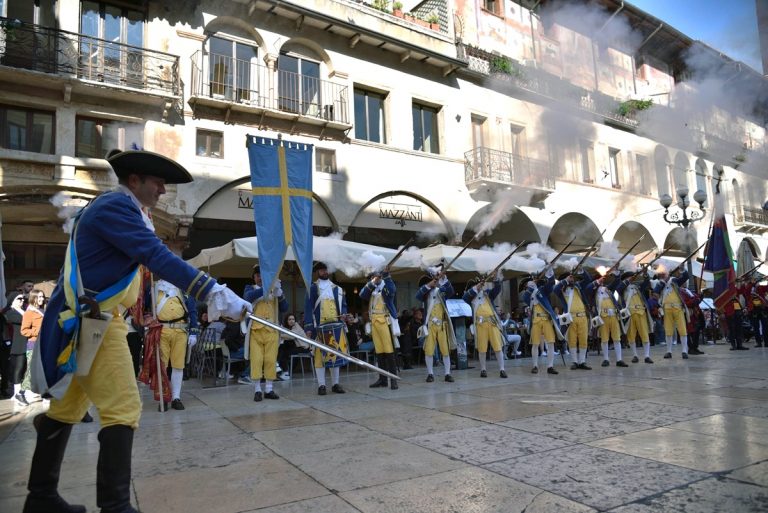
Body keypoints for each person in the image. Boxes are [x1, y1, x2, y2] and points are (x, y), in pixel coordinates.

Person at [24, 149, 251, 513]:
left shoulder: (127, 210)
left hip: (96, 320)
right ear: (135, 181)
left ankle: (40, 498)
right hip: (94, 322)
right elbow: (156, 256)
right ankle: (114, 507)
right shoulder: (116, 207)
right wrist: (211, 290)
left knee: (66, 409)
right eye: (157, 182)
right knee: (124, 407)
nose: (163, 189)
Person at [244, 265, 288, 401]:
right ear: (254, 277)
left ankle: (269, 389)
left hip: (272, 330)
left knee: (270, 360)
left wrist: (279, 294)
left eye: (262, 276)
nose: (260, 278)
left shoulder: (274, 290)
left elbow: (285, 308)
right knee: (256, 360)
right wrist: (267, 288)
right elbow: (248, 297)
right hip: (255, 330)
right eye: (257, 275)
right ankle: (257, 389)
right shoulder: (250, 288)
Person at [304, 261, 349, 395]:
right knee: (319, 357)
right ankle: (322, 385)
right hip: (320, 327)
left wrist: (344, 315)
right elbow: (308, 308)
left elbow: (343, 305)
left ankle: (335, 384)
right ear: (317, 272)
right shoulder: (312, 288)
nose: (325, 272)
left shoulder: (337, 289)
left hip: (335, 325)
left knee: (336, 355)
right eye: (322, 270)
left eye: (326, 270)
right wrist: (309, 327)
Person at [154, 279, 198, 410]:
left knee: (178, 366)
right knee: (162, 366)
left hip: (180, 330)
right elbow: (146, 308)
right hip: (161, 331)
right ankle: (163, 397)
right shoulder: (155, 288)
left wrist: (194, 332)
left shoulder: (184, 288)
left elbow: (192, 310)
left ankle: (176, 397)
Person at [416, 264, 457, 383]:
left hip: (442, 324)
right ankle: (430, 373)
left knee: (445, 350)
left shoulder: (442, 289)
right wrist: (430, 285)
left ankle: (447, 373)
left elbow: (451, 292)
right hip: (429, 324)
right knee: (429, 350)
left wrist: (444, 279)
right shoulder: (426, 289)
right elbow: (418, 295)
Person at [360, 267, 399, 389]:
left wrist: (386, 275)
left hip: (385, 322)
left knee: (389, 352)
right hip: (374, 323)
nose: (373, 278)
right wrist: (373, 282)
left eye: (375, 276)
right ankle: (382, 379)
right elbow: (362, 295)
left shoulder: (386, 286)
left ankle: (393, 379)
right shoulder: (371, 288)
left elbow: (392, 290)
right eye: (372, 277)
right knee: (379, 352)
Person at [463, 274, 507, 378]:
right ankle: (483, 369)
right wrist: (476, 287)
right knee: (482, 349)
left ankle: (502, 369)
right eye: (477, 285)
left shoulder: (487, 294)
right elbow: (465, 297)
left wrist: (496, 278)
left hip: (492, 323)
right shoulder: (470, 297)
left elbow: (497, 289)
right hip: (480, 324)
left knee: (498, 347)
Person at [520, 268, 562, 375]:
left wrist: (549, 271)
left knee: (551, 342)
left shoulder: (543, 289)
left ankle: (550, 366)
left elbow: (551, 284)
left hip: (546, 318)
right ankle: (535, 366)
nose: (534, 279)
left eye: (535, 277)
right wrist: (530, 288)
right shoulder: (528, 291)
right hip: (536, 320)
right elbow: (525, 299)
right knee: (535, 343)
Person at [586, 272, 628, 368]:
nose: (602, 281)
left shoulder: (608, 288)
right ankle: (606, 359)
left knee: (617, 339)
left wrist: (617, 274)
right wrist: (597, 282)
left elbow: (616, 282)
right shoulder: (593, 290)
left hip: (613, 315)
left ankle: (619, 359)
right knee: (604, 339)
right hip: (602, 316)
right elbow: (588, 289)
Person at [554, 268, 593, 370]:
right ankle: (574, 361)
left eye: (572, 278)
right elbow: (555, 289)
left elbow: (588, 280)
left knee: (583, 340)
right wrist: (566, 281)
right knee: (572, 340)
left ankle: (582, 362)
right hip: (571, 318)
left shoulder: (578, 286)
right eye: (570, 278)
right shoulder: (561, 289)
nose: (572, 280)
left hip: (582, 316)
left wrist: (581, 270)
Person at [616, 271, 655, 363]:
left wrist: (645, 274)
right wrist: (627, 281)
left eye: (631, 277)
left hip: (641, 312)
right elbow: (618, 289)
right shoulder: (622, 288)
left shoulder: (638, 287)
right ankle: (635, 355)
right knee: (631, 336)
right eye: (629, 278)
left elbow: (646, 283)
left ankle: (647, 356)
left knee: (645, 335)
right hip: (629, 313)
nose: (631, 279)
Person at [653, 268, 691, 358]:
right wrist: (662, 282)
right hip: (666, 309)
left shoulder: (674, 280)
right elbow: (655, 292)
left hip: (678, 307)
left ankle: (684, 351)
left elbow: (685, 277)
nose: (663, 276)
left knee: (682, 330)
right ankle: (669, 351)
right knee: (668, 331)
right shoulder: (659, 283)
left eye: (664, 274)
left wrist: (682, 269)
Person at [5, 292, 29, 405]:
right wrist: (18, 309)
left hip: (24, 343)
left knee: (22, 368)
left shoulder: (22, 311)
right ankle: (17, 393)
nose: (22, 301)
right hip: (16, 345)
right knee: (18, 369)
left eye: (23, 299)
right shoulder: (10, 313)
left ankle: (17, 393)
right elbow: (26, 320)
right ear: (12, 300)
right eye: (19, 299)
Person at [278, 312, 310, 377]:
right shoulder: (288, 328)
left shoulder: (296, 326)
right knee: (282, 348)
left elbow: (292, 336)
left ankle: (285, 370)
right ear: (286, 321)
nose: (291, 321)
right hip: (297, 346)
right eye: (289, 319)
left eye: (293, 319)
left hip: (304, 348)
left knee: (283, 350)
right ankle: (284, 370)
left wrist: (279, 335)